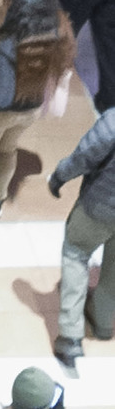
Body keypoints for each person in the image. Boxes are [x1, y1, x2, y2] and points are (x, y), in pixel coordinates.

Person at [48, 95, 115, 372]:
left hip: (100, 207)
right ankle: (102, 321)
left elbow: (85, 155)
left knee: (76, 254)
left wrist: (60, 175)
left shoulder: (113, 121)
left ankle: (71, 337)